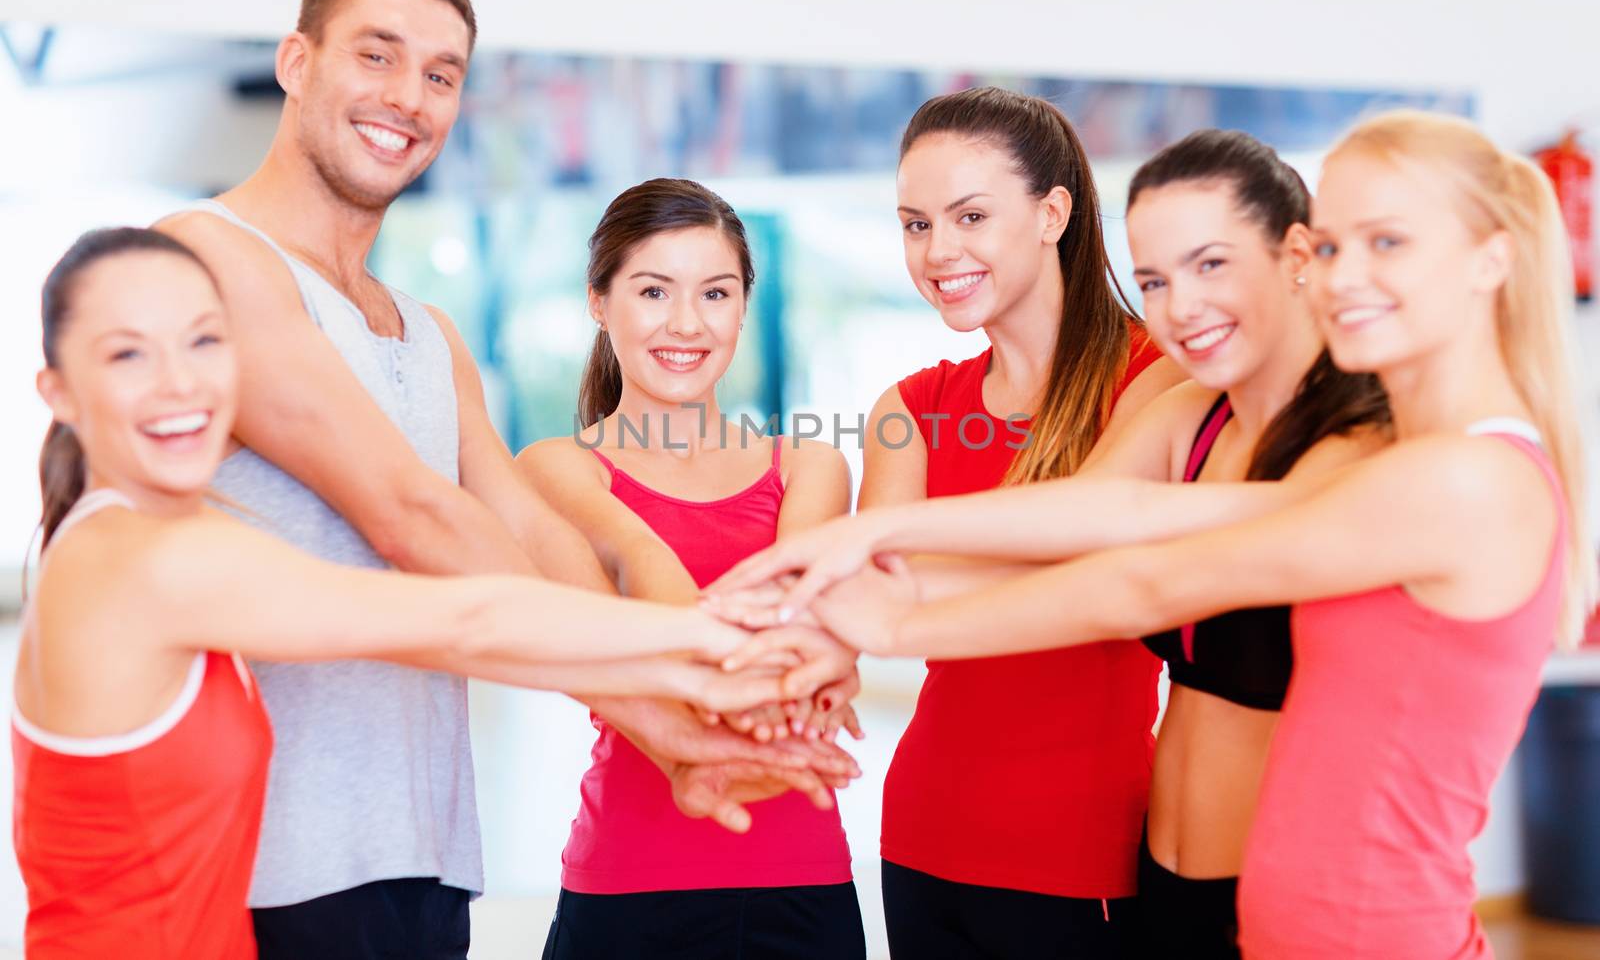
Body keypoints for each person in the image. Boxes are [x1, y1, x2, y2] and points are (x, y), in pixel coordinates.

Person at [725, 110, 1596, 958]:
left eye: (1387, 242)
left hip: (1354, 922)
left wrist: (890, 620)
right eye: (1335, 245)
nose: (1344, 275)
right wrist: (873, 546)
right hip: (1229, 899)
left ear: (1493, 257)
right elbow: (1122, 514)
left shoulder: (1446, 474)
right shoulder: (1296, 443)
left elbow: (1143, 579)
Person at [152, 0, 842, 957]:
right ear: (297, 60)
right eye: (376, 55)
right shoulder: (208, 257)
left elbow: (518, 527)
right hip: (272, 853)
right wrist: (678, 684)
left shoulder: (426, 331)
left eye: (440, 74)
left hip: (425, 850)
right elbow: (410, 512)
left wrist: (662, 726)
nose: (408, 96)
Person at [13, 228, 846, 960]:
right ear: (58, 392)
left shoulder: (170, 537)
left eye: (203, 343)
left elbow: (460, 626)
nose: (179, 384)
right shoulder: (140, 560)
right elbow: (464, 618)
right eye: (128, 354)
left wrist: (676, 730)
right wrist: (701, 662)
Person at [822, 85, 1183, 957]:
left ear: (1053, 211)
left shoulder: (1159, 379)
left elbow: (1090, 553)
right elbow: (883, 604)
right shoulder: (909, 406)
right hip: (923, 832)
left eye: (971, 216)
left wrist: (882, 582)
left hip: (1081, 850)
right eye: (915, 224)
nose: (939, 250)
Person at [518, 178, 865, 958]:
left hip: (802, 882)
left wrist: (793, 640)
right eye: (652, 290)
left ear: (744, 305)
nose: (686, 322)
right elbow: (656, 580)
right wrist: (781, 645)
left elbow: (790, 628)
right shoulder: (556, 470)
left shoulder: (810, 467)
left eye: (715, 292)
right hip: (628, 881)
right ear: (599, 302)